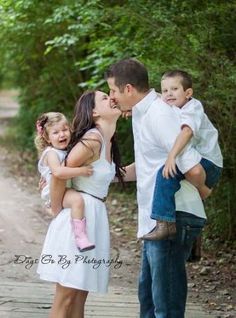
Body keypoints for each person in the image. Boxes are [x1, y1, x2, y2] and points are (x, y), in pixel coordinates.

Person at [105, 58, 207, 318]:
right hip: (155, 220)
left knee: (166, 305)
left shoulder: (159, 114)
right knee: (149, 299)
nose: (111, 97)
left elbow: (191, 167)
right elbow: (149, 166)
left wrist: (204, 191)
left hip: (173, 217)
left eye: (113, 91)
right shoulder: (143, 113)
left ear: (128, 89)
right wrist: (92, 179)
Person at [37, 90, 123, 318]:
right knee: (66, 296)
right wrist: (56, 209)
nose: (111, 99)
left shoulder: (105, 140)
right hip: (76, 219)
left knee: (79, 297)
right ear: (94, 112)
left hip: (93, 216)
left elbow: (108, 175)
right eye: (105, 98)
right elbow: (59, 174)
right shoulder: (93, 139)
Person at [142, 70, 223, 240]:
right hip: (201, 160)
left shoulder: (193, 107)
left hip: (209, 163)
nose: (168, 94)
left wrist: (171, 156)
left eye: (174, 89)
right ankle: (194, 240)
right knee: (185, 195)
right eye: (165, 90)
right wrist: (130, 108)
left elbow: (186, 132)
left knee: (166, 174)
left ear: (188, 93)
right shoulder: (175, 105)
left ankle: (164, 224)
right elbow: (154, 97)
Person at [34, 112, 95, 252]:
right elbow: (58, 173)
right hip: (54, 191)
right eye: (55, 132)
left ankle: (54, 213)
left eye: (65, 130)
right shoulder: (51, 153)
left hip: (63, 187)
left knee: (75, 202)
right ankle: (80, 237)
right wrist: (82, 171)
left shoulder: (66, 150)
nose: (62, 135)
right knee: (77, 201)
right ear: (47, 138)